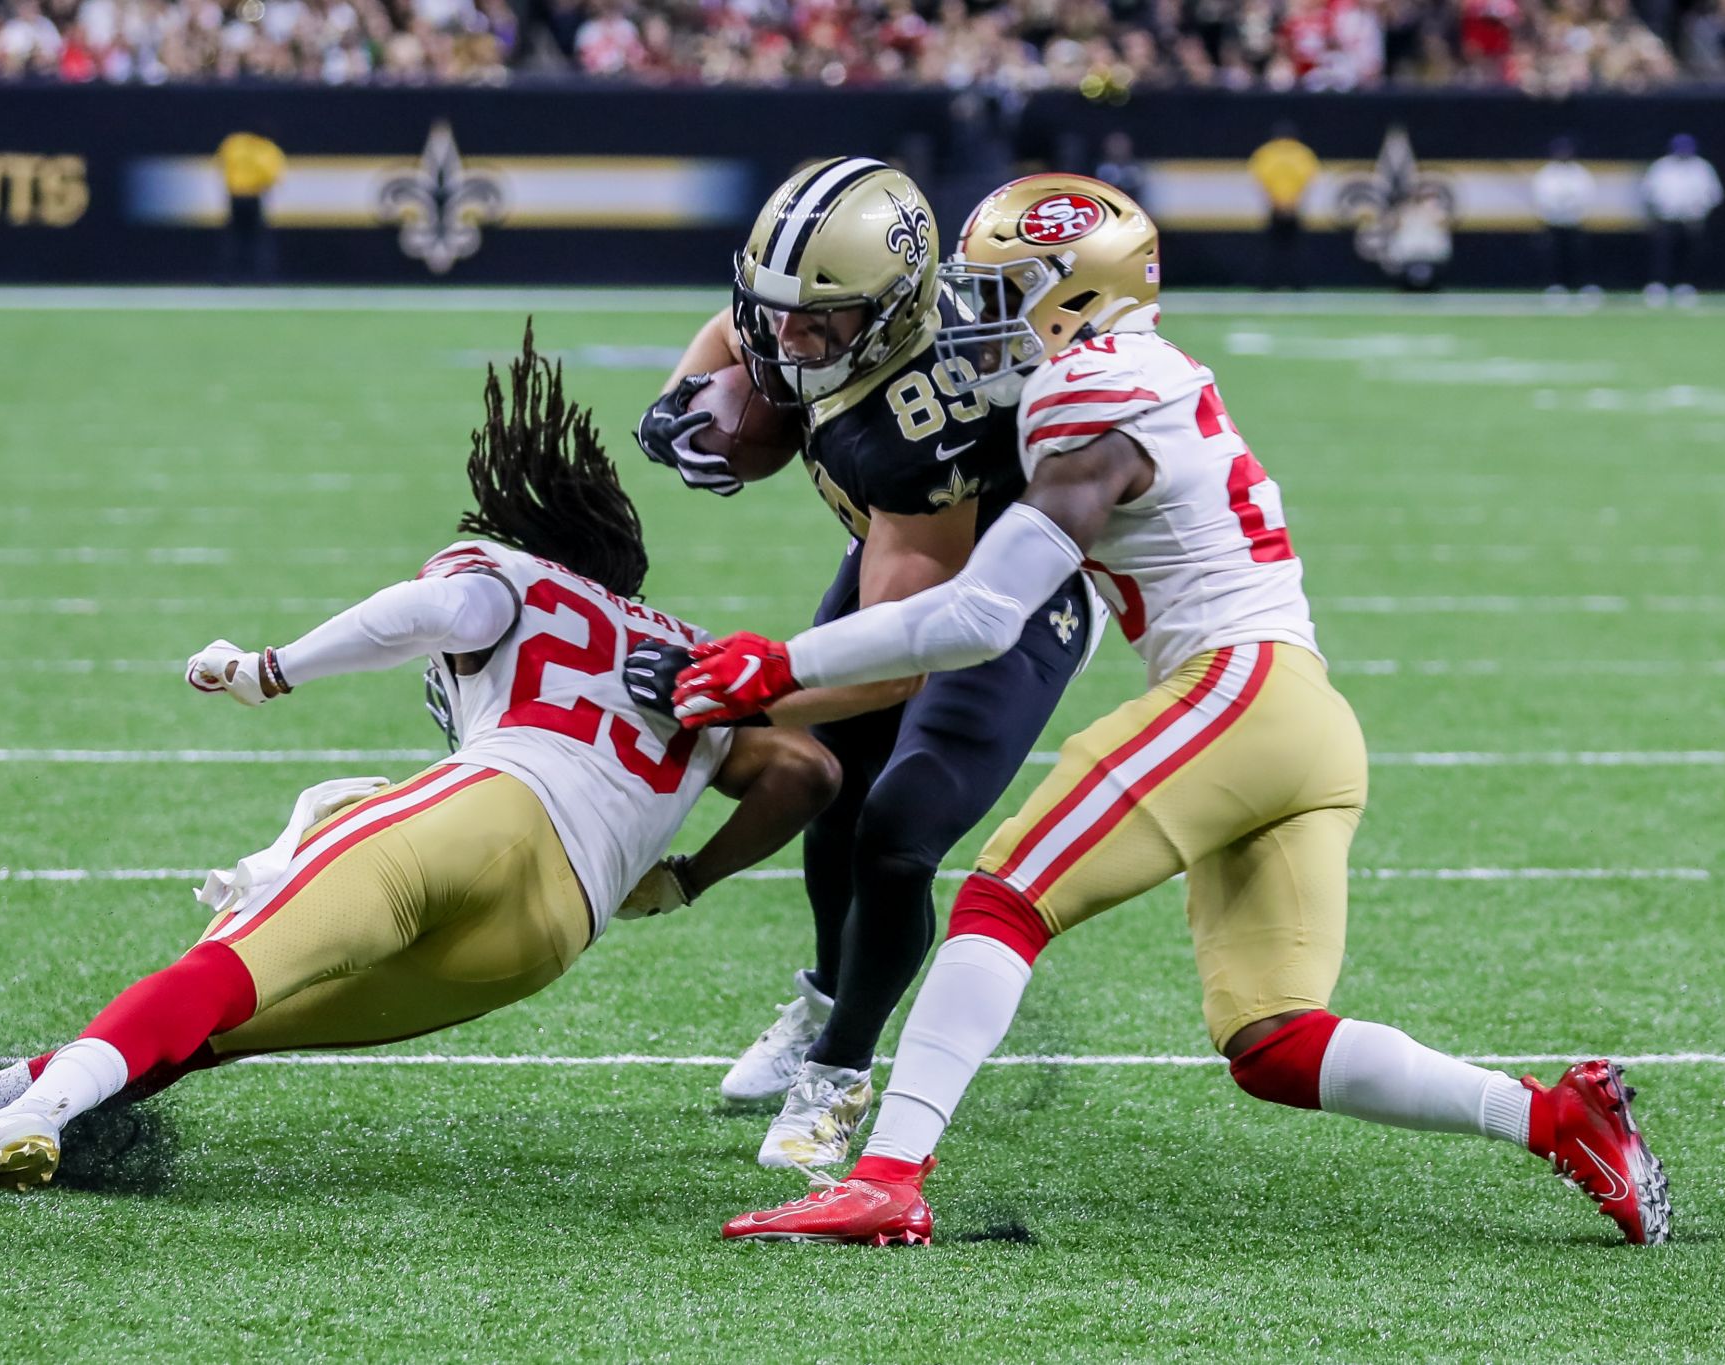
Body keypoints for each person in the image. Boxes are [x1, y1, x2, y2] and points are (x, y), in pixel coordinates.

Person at [672, 175, 1672, 1248]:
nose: (976, 315)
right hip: (1304, 724)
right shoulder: (1132, 371)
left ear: (1077, 294)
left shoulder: (1087, 391)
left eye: (1001, 290)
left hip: (1237, 690)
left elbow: (977, 615)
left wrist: (779, 663)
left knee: (1002, 901)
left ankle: (883, 1177)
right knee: (1270, 1040)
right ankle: (1555, 1118)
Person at [0, 326, 842, 1242]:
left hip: (492, 806)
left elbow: (431, 616)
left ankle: (12, 1125)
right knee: (208, 1037)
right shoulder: (691, 659)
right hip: (546, 937)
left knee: (213, 981)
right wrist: (685, 878)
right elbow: (805, 771)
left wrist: (269, 670)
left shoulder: (514, 573)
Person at [632, 158, 1093, 1170]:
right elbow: (738, 326)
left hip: (993, 604)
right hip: (893, 555)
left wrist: (748, 689)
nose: (784, 344)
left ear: (886, 316)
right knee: (830, 797)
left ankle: (838, 1073)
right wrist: (678, 400)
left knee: (893, 832)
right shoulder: (816, 313)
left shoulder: (920, 417)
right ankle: (828, 995)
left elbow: (902, 660)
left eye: (817, 327)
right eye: (779, 315)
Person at [1642, 133, 1722, 305]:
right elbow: (1648, 192)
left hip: (1691, 220)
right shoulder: (1661, 167)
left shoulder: (1702, 168)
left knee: (1689, 254)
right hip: (1666, 218)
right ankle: (1659, 285)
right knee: (1662, 255)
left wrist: (1699, 210)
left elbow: (1714, 195)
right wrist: (1658, 211)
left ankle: (1685, 285)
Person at [1248, 122, 1319, 289]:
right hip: (1293, 207)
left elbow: (1260, 179)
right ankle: (1298, 285)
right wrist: (1294, 201)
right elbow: (1308, 180)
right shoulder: (1302, 153)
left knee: (1272, 250)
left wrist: (1273, 200)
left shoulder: (1266, 152)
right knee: (1296, 250)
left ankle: (1268, 284)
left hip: (1275, 206)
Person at [1532, 137, 1598, 297]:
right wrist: (1554, 211)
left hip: (1575, 222)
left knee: (1579, 256)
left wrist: (1575, 210)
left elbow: (1588, 196)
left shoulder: (1579, 173)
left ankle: (1583, 286)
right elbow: (1540, 198)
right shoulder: (1546, 173)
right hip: (1553, 223)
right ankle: (1555, 286)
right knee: (1554, 257)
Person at [216, 129, 284, 283]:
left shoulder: (234, 143)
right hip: (253, 196)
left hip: (236, 196)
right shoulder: (266, 148)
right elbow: (272, 175)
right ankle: (261, 276)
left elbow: (221, 162)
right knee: (257, 238)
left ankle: (228, 275)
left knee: (234, 237)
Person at [1092, 131, 1147, 205]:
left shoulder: (1139, 169)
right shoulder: (1095, 169)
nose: (1118, 146)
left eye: (1121, 143)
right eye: (1114, 142)